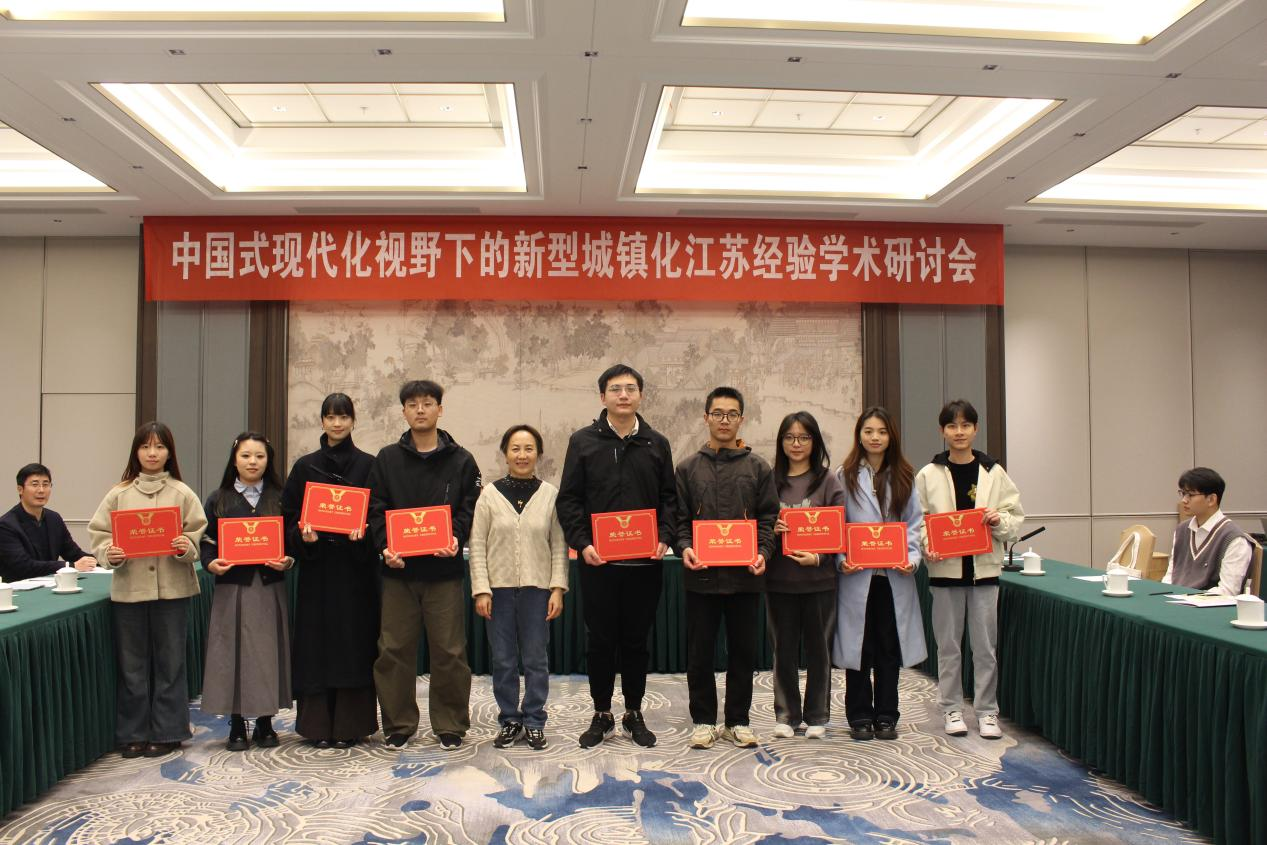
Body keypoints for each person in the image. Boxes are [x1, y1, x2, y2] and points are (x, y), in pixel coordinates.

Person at [556, 363, 676, 749]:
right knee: (601, 641)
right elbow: (569, 499)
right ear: (602, 396)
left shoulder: (657, 443)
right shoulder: (583, 442)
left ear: (640, 395)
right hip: (598, 564)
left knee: (637, 641)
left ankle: (634, 712)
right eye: (615, 389)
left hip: (644, 565)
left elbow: (669, 499)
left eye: (630, 388)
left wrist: (665, 537)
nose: (623, 395)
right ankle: (602, 712)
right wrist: (582, 543)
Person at [368, 380, 480, 750]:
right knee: (394, 650)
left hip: (443, 572)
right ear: (403, 412)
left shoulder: (462, 460)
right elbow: (376, 508)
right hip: (398, 572)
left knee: (449, 651)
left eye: (428, 403)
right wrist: (385, 546)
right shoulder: (387, 459)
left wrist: (456, 537)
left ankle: (450, 723)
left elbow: (469, 507)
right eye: (413, 404)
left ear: (439, 409)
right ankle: (398, 723)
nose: (420, 409)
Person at [87, 422, 207, 759]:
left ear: (170, 453)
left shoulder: (182, 493)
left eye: (159, 447)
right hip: (130, 590)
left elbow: (198, 535)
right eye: (145, 447)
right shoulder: (119, 494)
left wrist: (186, 546)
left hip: (173, 590)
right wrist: (108, 552)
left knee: (171, 663)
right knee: (132, 665)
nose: (152, 453)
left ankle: (169, 731)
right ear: (135, 452)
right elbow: (99, 533)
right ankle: (133, 732)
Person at [675, 386, 779, 750]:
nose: (724, 420)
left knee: (743, 653)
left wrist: (763, 552)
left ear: (741, 419)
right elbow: (680, 520)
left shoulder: (758, 467)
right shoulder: (687, 468)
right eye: (717, 413)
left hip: (745, 578)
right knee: (700, 654)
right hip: (701, 576)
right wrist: (685, 547)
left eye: (731, 414)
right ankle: (703, 720)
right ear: (706, 418)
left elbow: (768, 518)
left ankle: (738, 720)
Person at [915, 399, 1023, 740]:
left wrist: (998, 520)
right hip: (945, 573)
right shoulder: (928, 474)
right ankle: (951, 708)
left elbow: (1014, 518)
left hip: (984, 572)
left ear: (975, 429)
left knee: (985, 648)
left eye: (965, 425)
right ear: (942, 431)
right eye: (952, 426)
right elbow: (917, 521)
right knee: (948, 648)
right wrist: (926, 545)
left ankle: (987, 712)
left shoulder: (993, 472)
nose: (959, 432)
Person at [281, 393, 380, 749]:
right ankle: (318, 726)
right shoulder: (304, 467)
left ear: (353, 421)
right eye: (331, 417)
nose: (337, 423)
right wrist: (302, 536)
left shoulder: (370, 465)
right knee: (317, 647)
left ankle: (352, 725)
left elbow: (379, 516)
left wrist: (365, 533)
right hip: (317, 573)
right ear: (321, 421)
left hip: (356, 574)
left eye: (343, 417)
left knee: (354, 645)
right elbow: (287, 519)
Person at [469, 424, 568, 751]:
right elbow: (477, 544)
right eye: (515, 449)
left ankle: (535, 720)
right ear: (505, 454)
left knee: (536, 659)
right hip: (497, 592)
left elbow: (559, 545)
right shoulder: (489, 495)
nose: (522, 455)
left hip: (537, 591)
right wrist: (481, 589)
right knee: (504, 660)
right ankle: (510, 719)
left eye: (528, 449)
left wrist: (557, 588)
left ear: (538, 454)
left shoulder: (550, 495)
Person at [833, 406, 928, 742]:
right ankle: (859, 714)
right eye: (869, 431)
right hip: (857, 575)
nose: (875, 437)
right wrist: (842, 558)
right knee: (859, 646)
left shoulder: (905, 475)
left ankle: (887, 714)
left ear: (892, 437)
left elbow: (914, 523)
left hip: (892, 576)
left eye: (882, 432)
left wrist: (911, 558)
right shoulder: (844, 475)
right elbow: (836, 523)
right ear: (859, 435)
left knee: (888, 647)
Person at [200, 432, 294, 751]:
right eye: (246, 456)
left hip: (268, 586)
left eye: (259, 456)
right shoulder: (218, 498)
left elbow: (291, 541)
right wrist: (211, 563)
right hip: (232, 588)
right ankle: (237, 723)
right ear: (234, 460)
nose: (253, 462)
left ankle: (266, 721)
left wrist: (288, 559)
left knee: (266, 652)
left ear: (268, 461)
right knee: (232, 653)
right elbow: (207, 541)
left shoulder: (280, 497)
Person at [766, 412, 843, 740]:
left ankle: (817, 716)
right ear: (781, 442)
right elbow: (756, 525)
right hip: (779, 581)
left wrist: (819, 557)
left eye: (804, 437)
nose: (796, 444)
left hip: (819, 581)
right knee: (783, 651)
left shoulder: (828, 481)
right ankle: (786, 714)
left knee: (819, 651)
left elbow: (841, 530)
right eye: (789, 437)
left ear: (815, 442)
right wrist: (770, 528)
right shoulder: (769, 480)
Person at [1163, 467, 1255, 596]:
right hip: (1174, 600)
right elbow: (1170, 576)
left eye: (1190, 495)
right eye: (1183, 493)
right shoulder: (1181, 530)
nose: (1184, 500)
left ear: (1211, 499)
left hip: (1207, 605)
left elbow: (1228, 591)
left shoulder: (1234, 539)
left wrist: (1186, 598)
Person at [0, 463, 96, 582]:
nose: (41, 490)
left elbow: (74, 554)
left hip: (51, 585)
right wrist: (69, 566)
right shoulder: (6, 525)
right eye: (35, 484)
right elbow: (23, 566)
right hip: (18, 588)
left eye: (46, 485)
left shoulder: (54, 518)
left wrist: (105, 559)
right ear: (20, 489)